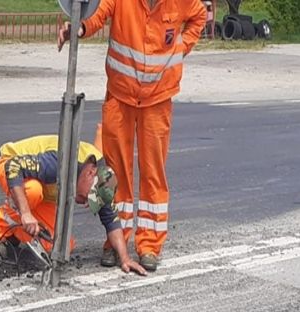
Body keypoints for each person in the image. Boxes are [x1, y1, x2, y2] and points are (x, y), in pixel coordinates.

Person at [58, 0, 206, 271]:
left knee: (153, 173)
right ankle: (117, 242)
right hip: (120, 95)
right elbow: (97, 15)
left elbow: (199, 16)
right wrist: (78, 28)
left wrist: (181, 47)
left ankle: (150, 245)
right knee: (115, 174)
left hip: (159, 98)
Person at [0, 135, 147, 275]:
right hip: (12, 164)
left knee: (60, 246)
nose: (84, 203)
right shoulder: (63, 162)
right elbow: (13, 167)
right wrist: (26, 213)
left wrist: (125, 258)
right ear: (90, 173)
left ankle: (15, 232)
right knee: (33, 192)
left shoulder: (102, 180)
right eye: (86, 198)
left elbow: (111, 221)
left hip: (45, 187)